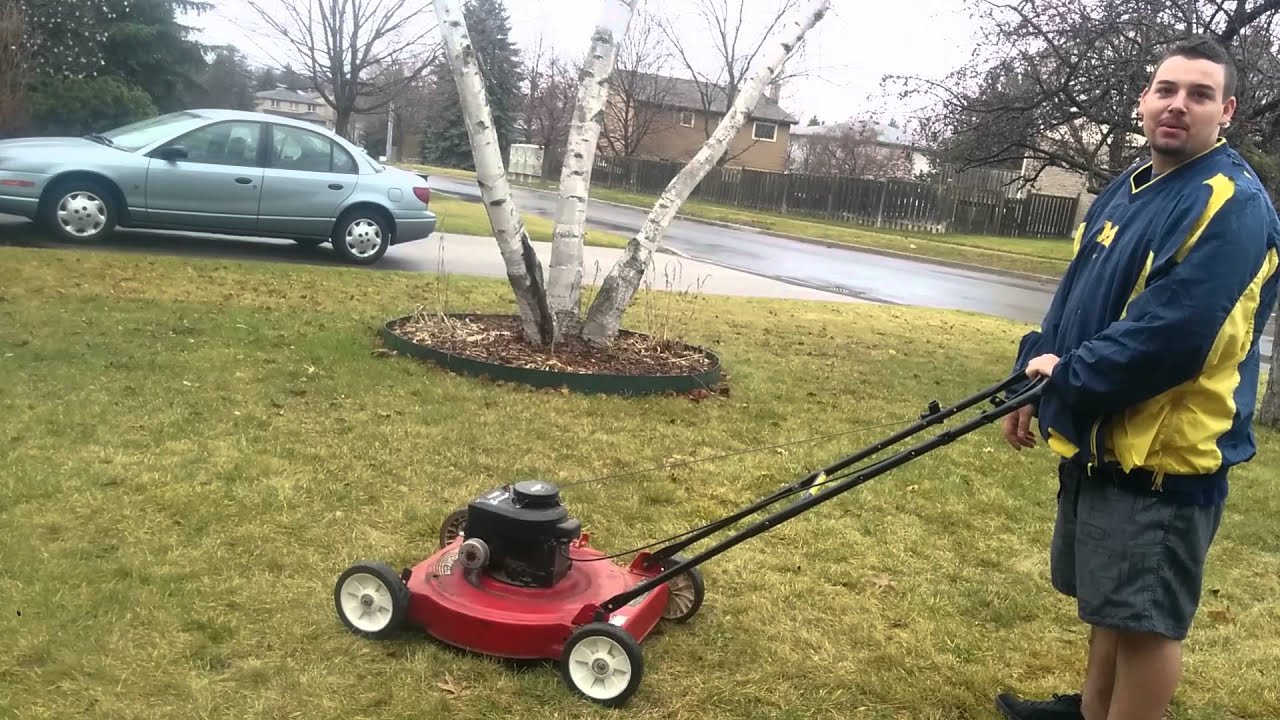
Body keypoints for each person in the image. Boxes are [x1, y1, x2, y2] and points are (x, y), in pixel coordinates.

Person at [992, 35, 1280, 720]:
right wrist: (1030, 375)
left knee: (1147, 622)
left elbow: (1172, 338)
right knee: (1112, 601)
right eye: (1167, 90)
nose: (1178, 105)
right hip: (1110, 440)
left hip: (1167, 457)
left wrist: (1068, 379)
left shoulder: (1231, 206)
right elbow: (1080, 295)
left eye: (1200, 94)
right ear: (1144, 101)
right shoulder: (1129, 185)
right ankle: (1092, 708)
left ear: (1227, 110)